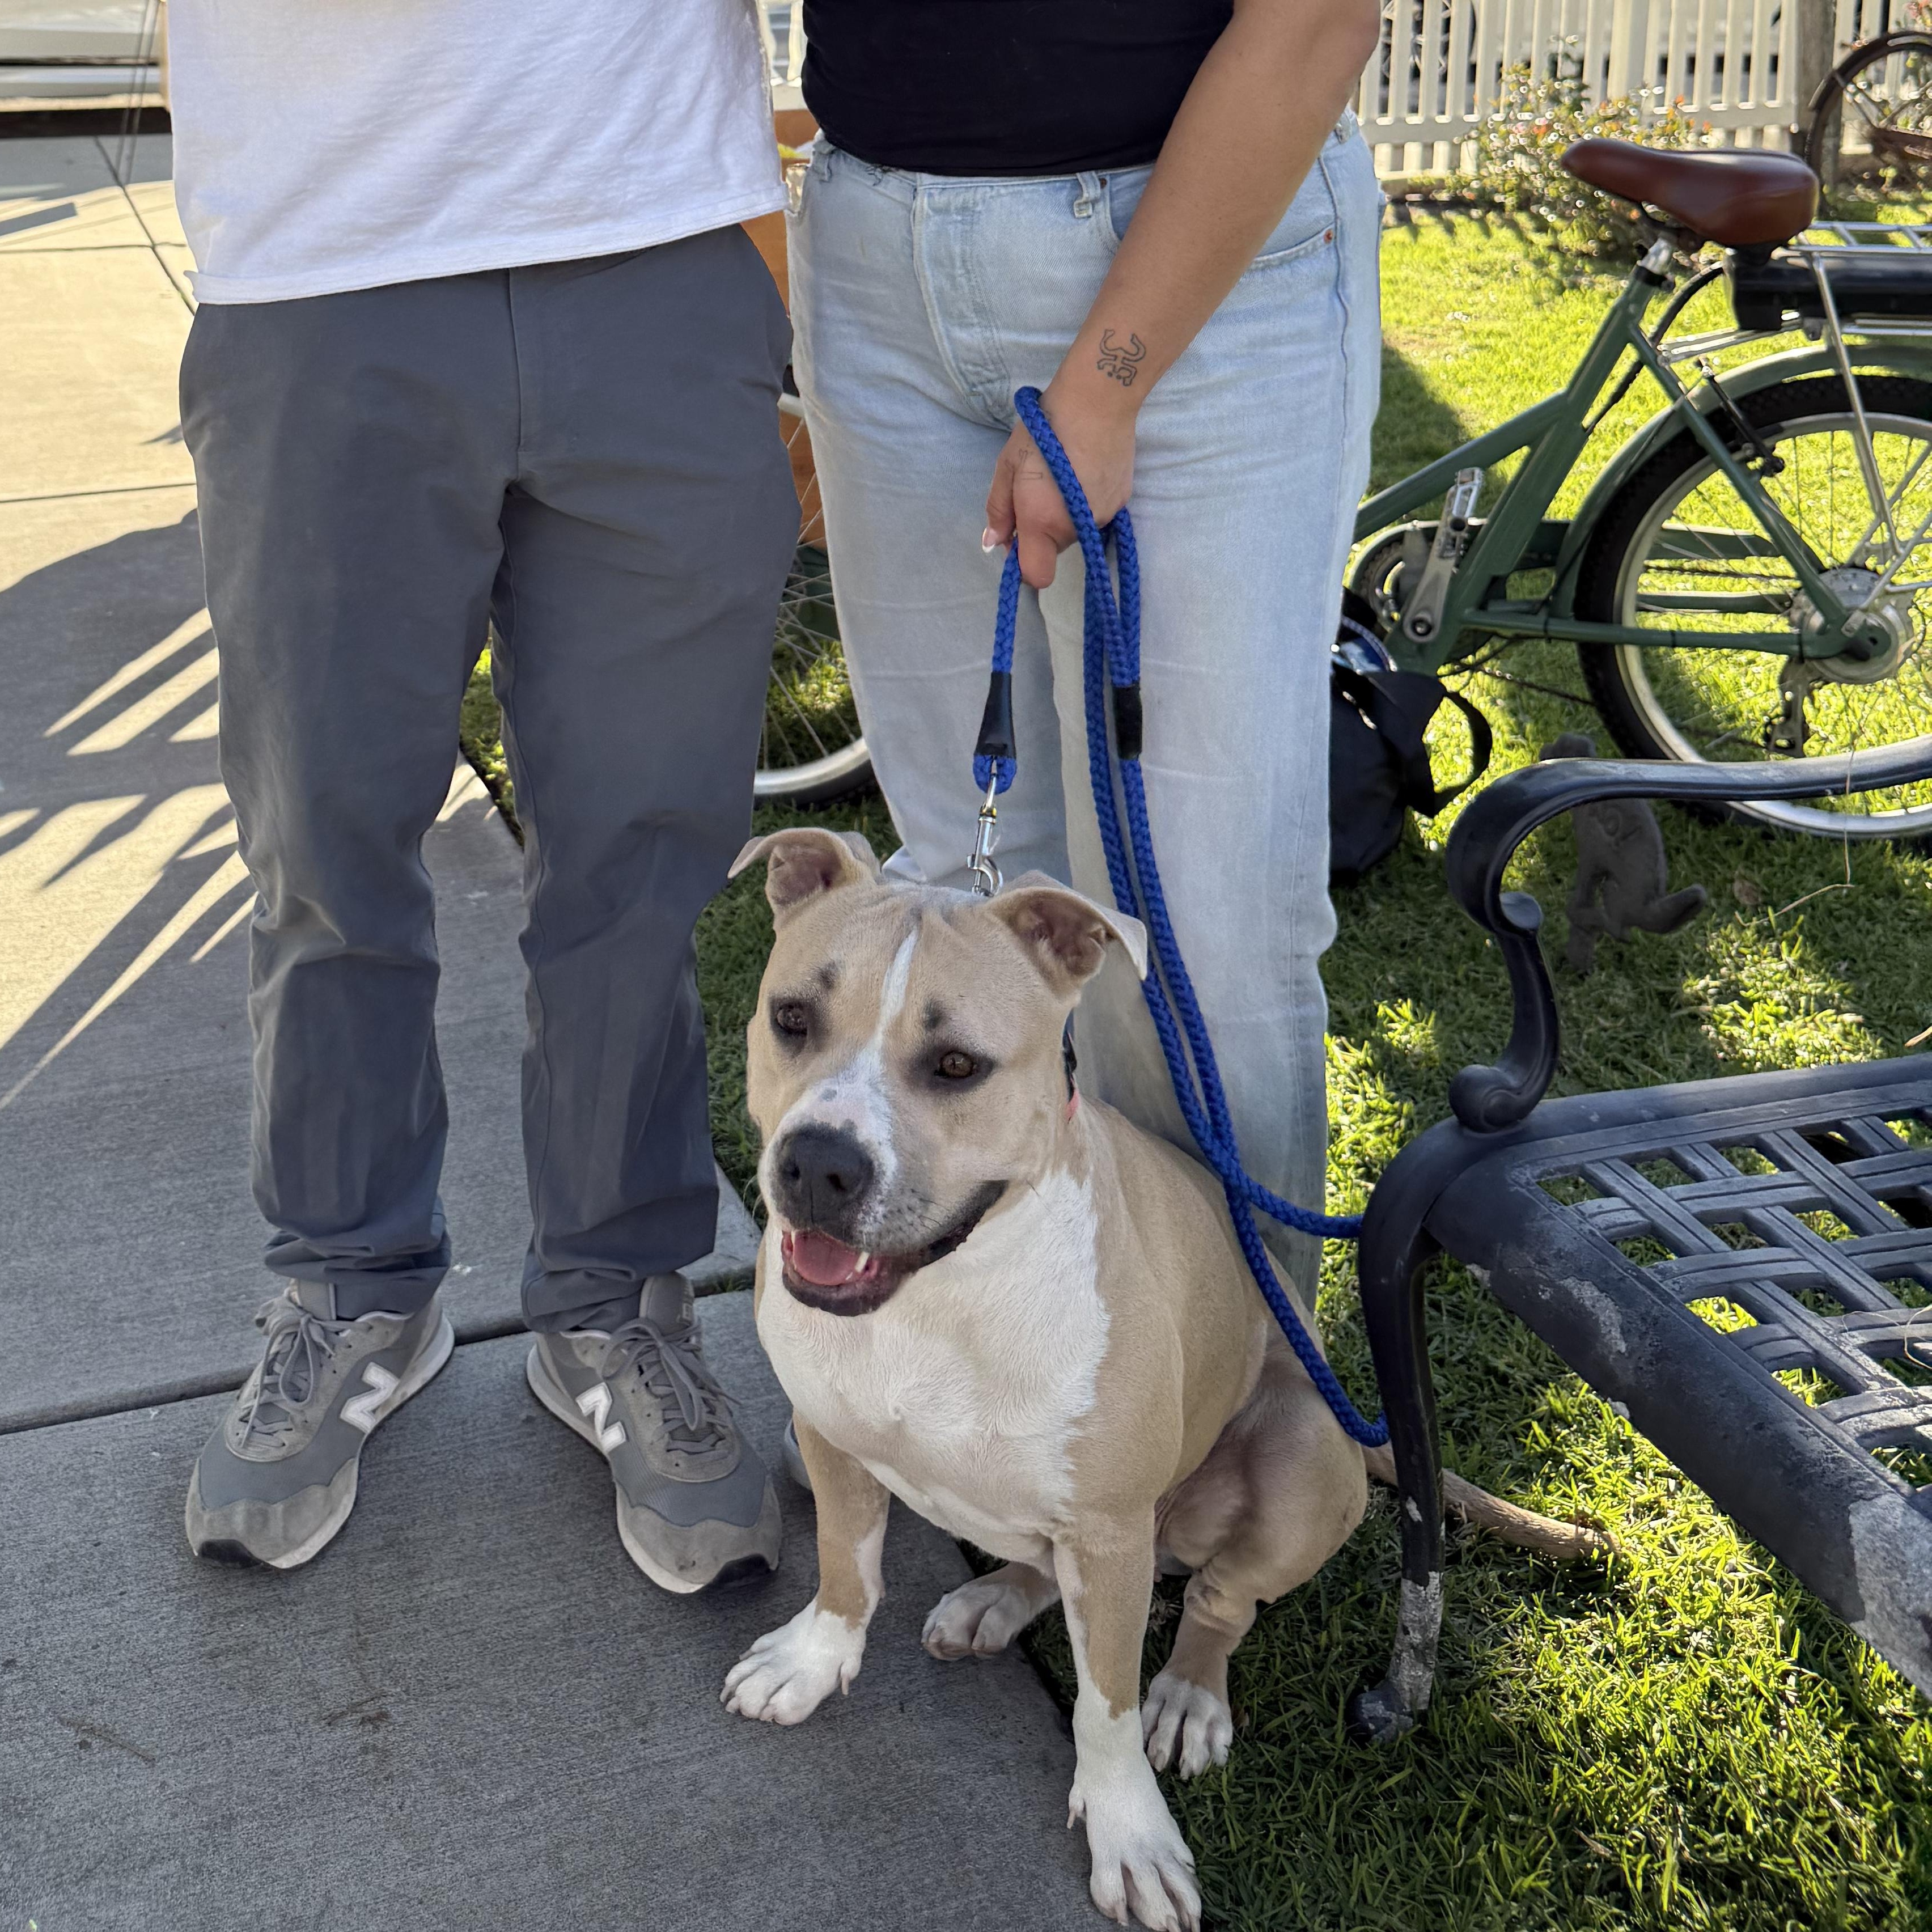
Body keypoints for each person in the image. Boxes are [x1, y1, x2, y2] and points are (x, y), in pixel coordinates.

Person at [171, 0, 798, 1587]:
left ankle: (614, 1298)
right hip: (321, 256)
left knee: (641, 858)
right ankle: (352, 1281)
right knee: (323, 842)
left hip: (654, 232)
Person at [787, 0, 1383, 1303]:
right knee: (966, 893)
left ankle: (1225, 1397)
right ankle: (1012, 1365)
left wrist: (1106, 384)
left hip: (1194, 267)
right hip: (873, 249)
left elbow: (1317, 18)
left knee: (1197, 937)